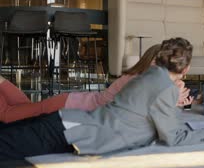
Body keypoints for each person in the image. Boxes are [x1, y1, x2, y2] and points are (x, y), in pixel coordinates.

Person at [0, 38, 204, 160]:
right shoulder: (148, 81)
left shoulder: (148, 79)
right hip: (73, 116)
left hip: (73, 115)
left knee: (21, 113)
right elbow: (169, 134)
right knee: (10, 119)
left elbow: (145, 116)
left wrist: (175, 101)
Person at [0, 44, 191, 123]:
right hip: (69, 105)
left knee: (25, 107)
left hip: (73, 102)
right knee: (8, 116)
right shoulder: (138, 80)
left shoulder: (145, 79)